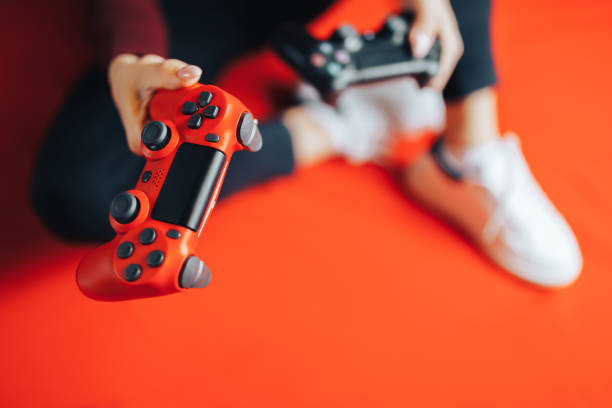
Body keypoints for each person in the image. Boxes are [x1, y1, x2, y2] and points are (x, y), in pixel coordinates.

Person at [30, 0, 582, 287]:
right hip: (176, 16)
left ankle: (468, 152)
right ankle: (342, 125)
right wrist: (132, 54)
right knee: (78, 193)